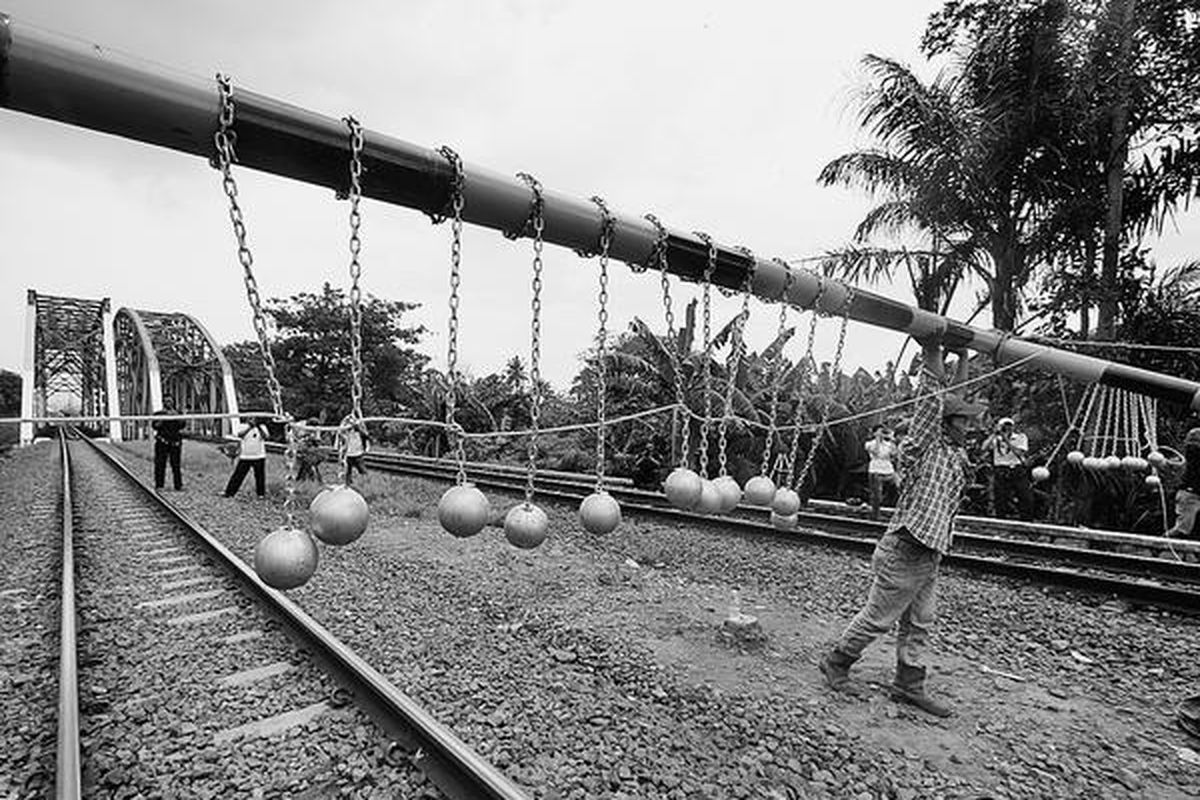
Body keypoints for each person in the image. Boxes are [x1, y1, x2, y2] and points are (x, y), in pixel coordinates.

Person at [819, 338, 983, 717]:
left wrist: (959, 356)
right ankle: (837, 662)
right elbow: (932, 401)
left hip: (930, 550)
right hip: (907, 546)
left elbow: (954, 397)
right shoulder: (923, 446)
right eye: (962, 421)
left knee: (920, 622)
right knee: (879, 616)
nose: (969, 427)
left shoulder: (956, 453)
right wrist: (932, 352)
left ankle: (909, 684)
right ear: (945, 424)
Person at [982, 417, 1032, 520]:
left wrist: (1006, 440)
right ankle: (1001, 521)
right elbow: (984, 448)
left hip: (1017, 468)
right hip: (1001, 469)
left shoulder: (1020, 437)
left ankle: (1026, 521)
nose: (1007, 428)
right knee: (1000, 497)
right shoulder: (996, 439)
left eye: (1009, 426)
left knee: (1025, 496)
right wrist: (994, 434)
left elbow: (1019, 452)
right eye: (1005, 426)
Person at [1166, 428, 1200, 538]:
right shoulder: (1194, 452)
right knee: (1182, 529)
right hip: (1190, 494)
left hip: (1192, 493)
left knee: (1185, 529)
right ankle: (1160, 545)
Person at [223, 417, 269, 497]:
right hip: (246, 456)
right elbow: (240, 435)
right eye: (250, 418)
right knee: (238, 475)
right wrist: (250, 427)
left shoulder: (262, 427)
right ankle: (229, 493)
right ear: (247, 419)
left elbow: (266, 437)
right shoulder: (242, 426)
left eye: (254, 418)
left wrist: (258, 427)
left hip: (259, 455)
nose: (252, 420)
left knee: (260, 476)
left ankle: (261, 494)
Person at [864, 424, 900, 520]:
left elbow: (894, 455)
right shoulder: (869, 444)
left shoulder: (888, 444)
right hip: (875, 470)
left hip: (889, 470)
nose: (881, 434)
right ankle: (876, 515)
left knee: (900, 486)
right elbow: (875, 451)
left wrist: (892, 440)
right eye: (879, 431)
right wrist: (877, 439)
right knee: (877, 495)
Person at [151, 404, 187, 491]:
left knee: (176, 465)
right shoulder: (158, 414)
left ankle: (178, 485)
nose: (169, 403)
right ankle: (159, 485)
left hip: (175, 442)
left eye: (170, 401)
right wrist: (163, 418)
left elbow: (182, 425)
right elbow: (155, 426)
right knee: (160, 464)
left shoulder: (178, 413)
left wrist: (178, 417)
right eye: (167, 401)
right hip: (162, 441)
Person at [338, 416, 370, 486]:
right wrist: (345, 419)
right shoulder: (347, 432)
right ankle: (348, 484)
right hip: (349, 454)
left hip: (358, 454)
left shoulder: (360, 432)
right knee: (348, 471)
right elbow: (340, 431)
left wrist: (357, 426)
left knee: (362, 470)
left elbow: (367, 435)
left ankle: (366, 484)